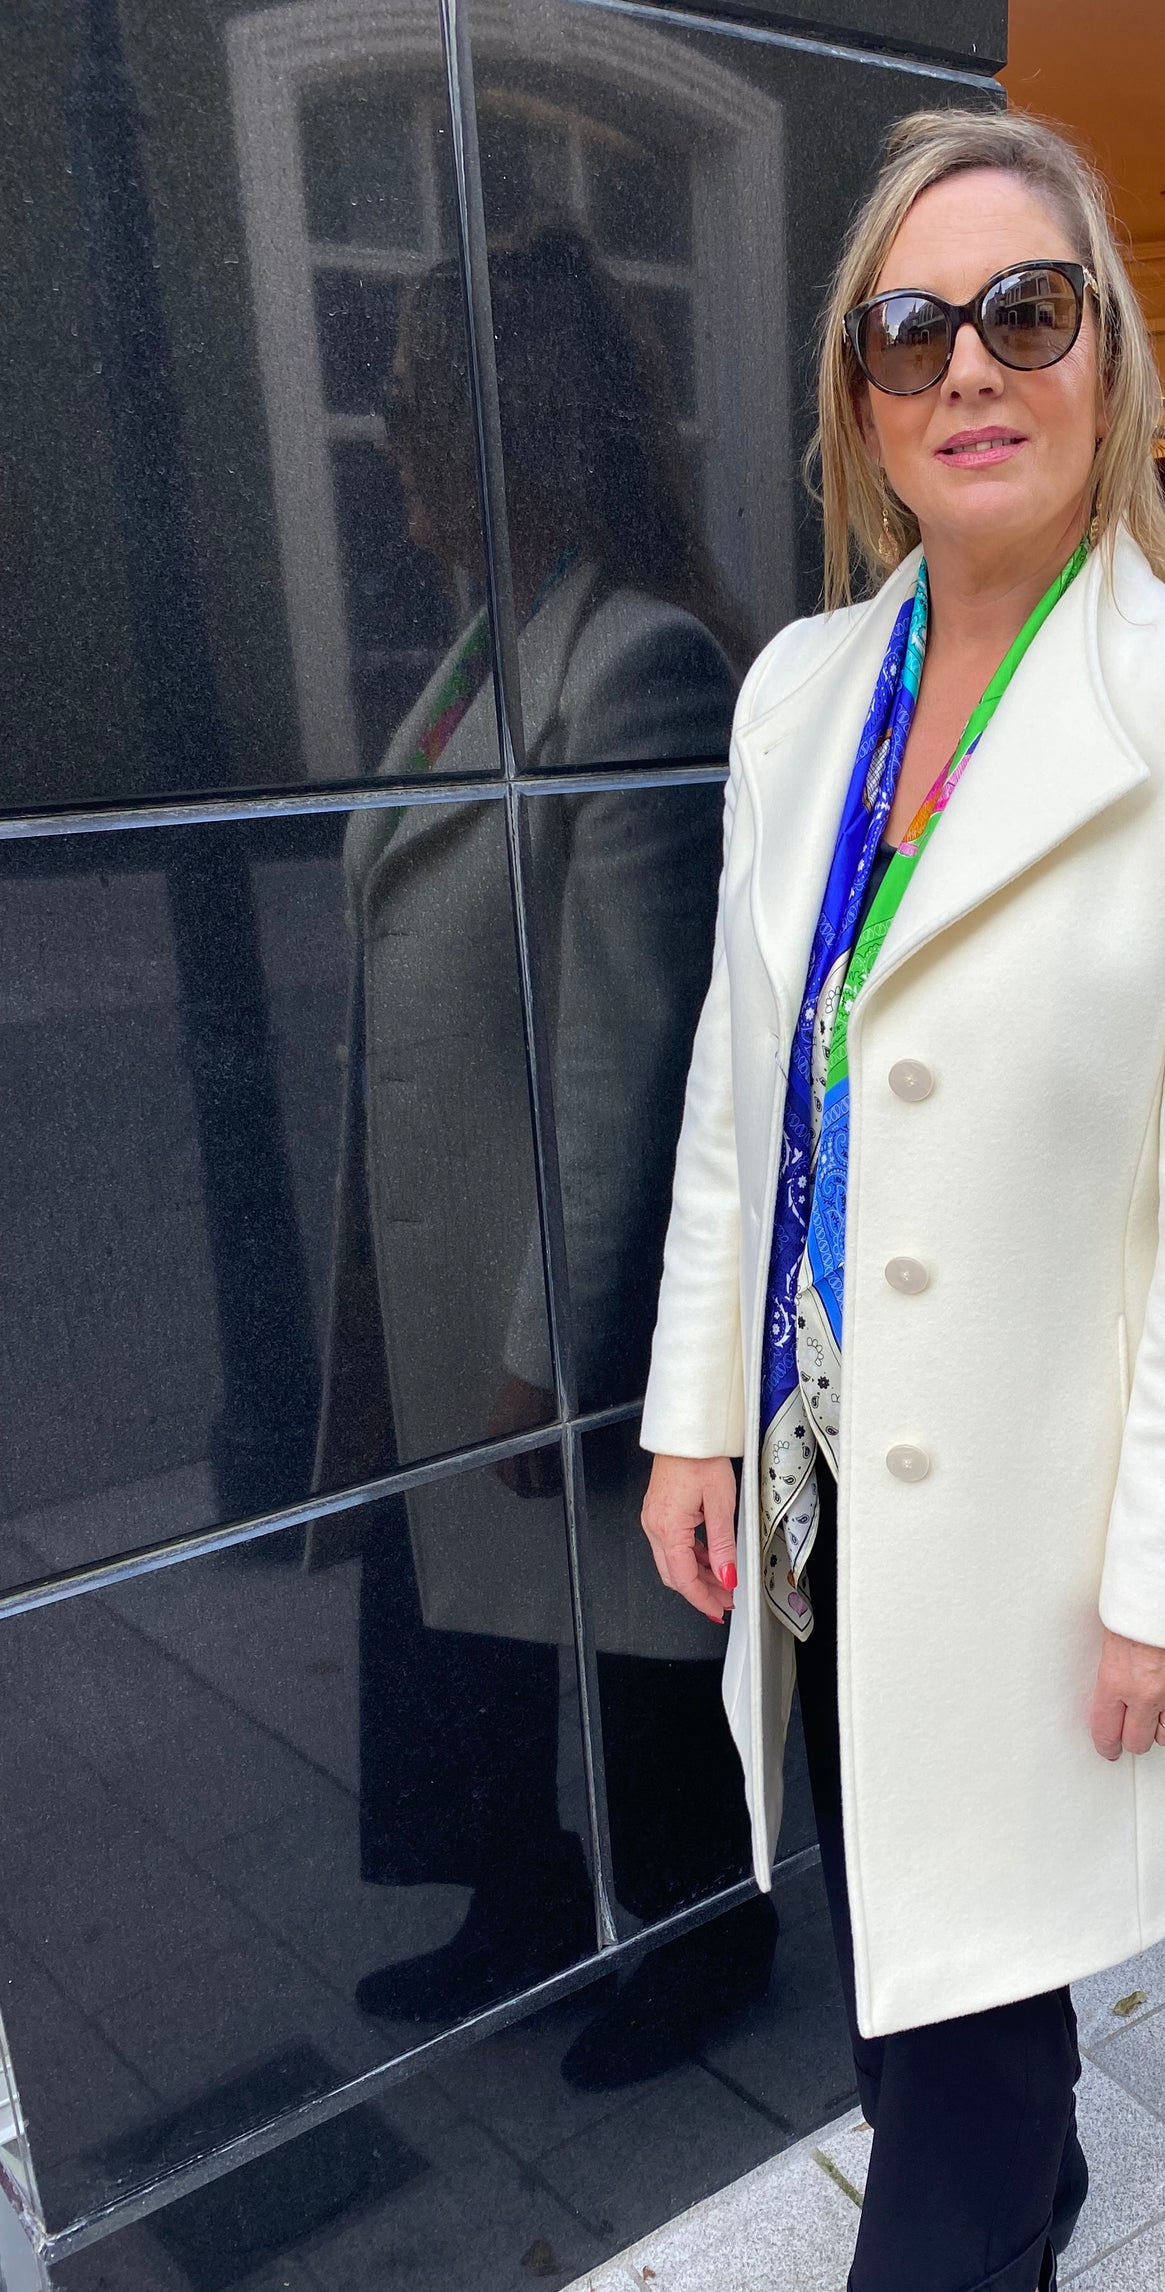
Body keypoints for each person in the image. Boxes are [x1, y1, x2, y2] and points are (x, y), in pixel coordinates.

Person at [639, 111, 1165, 2292]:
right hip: (830, 1451)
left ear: (1108, 363)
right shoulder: (799, 694)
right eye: (909, 327)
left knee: (972, 1957)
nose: (969, 367)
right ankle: (1005, 2226)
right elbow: (741, 1087)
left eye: (1023, 312)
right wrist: (696, 1414)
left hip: (1043, 1497)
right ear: (858, 399)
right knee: (900, 1897)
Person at [313, 225, 775, 2090]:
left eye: (422, 401)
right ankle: (519, 1906)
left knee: (638, 1631)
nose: (392, 438)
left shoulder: (636, 666)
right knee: (477, 1626)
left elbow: (632, 1053)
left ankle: (702, 1940)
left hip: (551, 1284)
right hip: (453, 1262)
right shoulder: (491, 649)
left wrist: (550, 1342)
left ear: (522, 423)